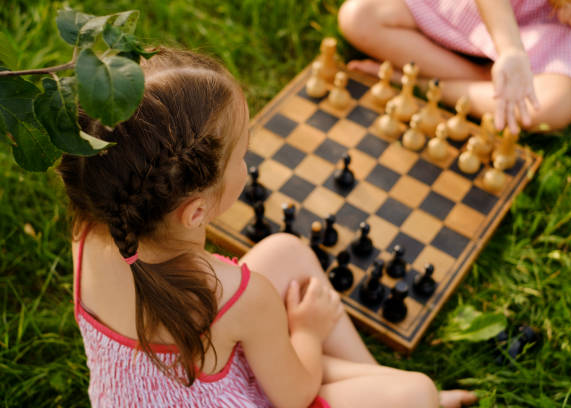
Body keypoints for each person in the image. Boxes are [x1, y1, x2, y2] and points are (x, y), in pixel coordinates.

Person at [59, 46, 477, 408]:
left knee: (287, 252)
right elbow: (294, 396)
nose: (248, 163)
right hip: (262, 392)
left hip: (167, 387)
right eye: (242, 155)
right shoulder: (238, 298)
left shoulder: (90, 229)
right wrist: (308, 332)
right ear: (196, 212)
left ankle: (379, 381)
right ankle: (399, 393)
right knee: (418, 393)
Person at [338, 0, 571, 133]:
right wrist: (511, 49)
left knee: (551, 106)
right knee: (358, 17)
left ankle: (418, 84)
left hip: (559, 33)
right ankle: (488, 81)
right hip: (487, 9)